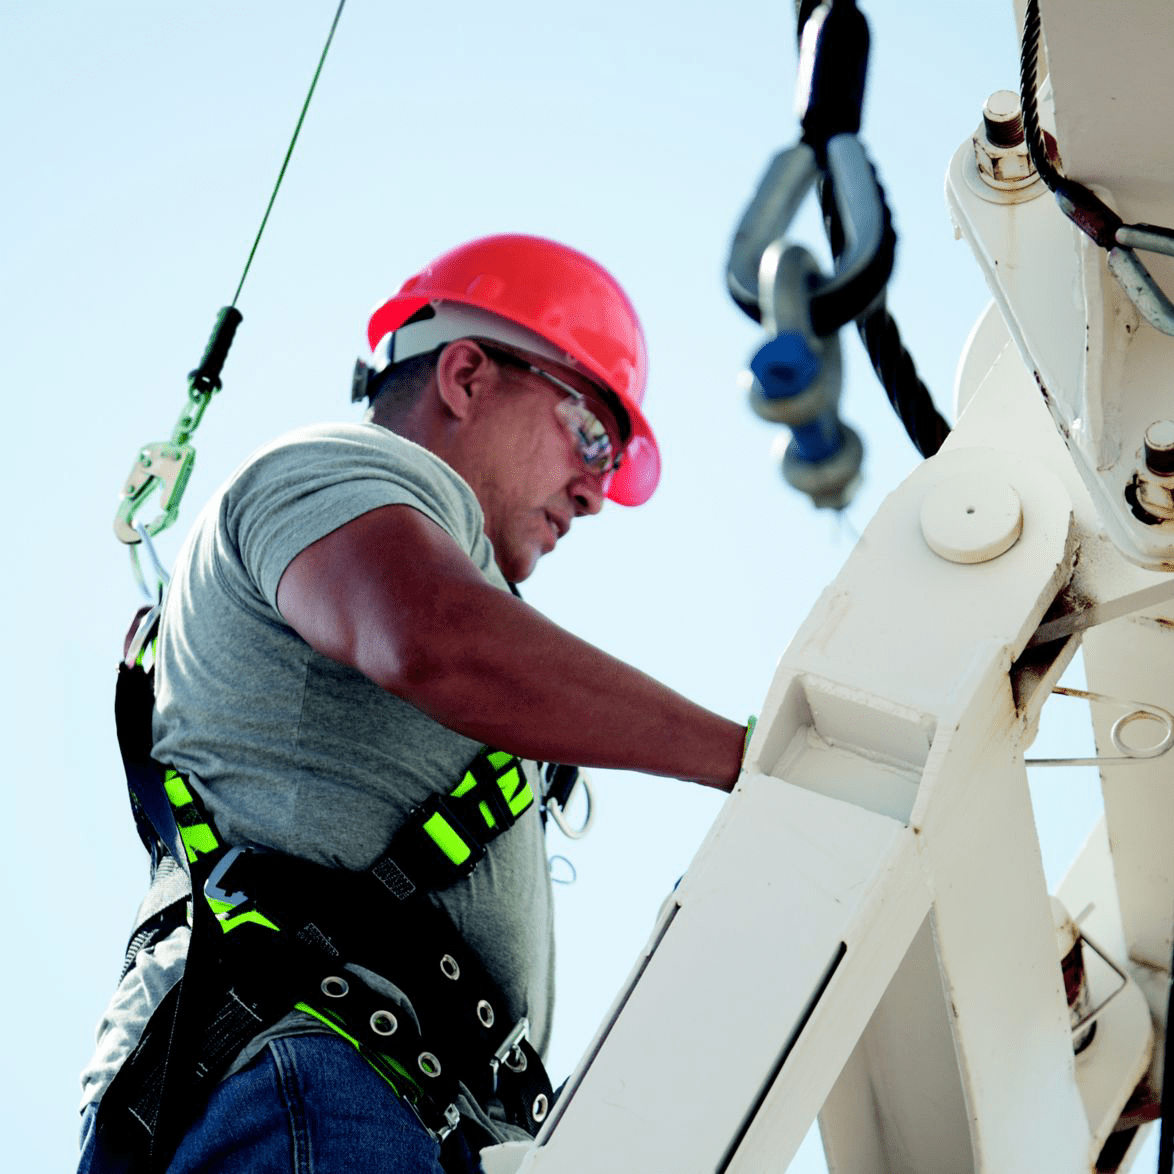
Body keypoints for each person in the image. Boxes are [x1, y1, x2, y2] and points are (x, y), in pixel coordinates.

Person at [78, 233, 748, 1173]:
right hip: (314, 1076)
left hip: (398, 1105)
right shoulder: (326, 469)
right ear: (468, 376)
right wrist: (748, 760)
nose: (597, 494)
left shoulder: (461, 579)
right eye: (591, 434)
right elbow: (431, 636)